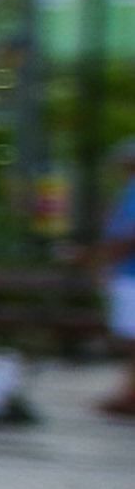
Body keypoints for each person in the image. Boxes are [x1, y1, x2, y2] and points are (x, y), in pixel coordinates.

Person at [101, 142, 135, 419]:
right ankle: (128, 391)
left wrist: (104, 257)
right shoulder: (128, 191)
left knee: (132, 338)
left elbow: (126, 236)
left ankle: (130, 394)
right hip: (126, 273)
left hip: (131, 274)